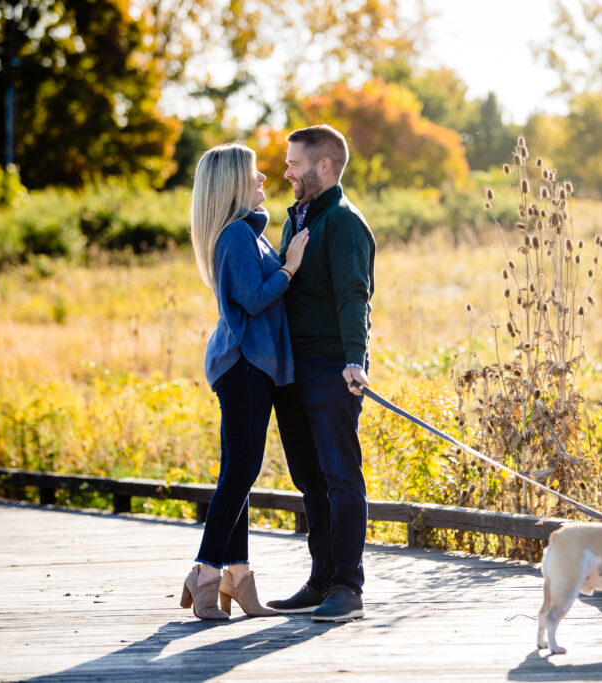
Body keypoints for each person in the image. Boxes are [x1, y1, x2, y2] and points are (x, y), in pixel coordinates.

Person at [180, 143, 310, 620]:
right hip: (243, 365)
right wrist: (291, 268)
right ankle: (207, 571)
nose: (263, 180)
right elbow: (255, 300)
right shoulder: (236, 235)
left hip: (250, 365)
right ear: (234, 183)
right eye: (254, 175)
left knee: (238, 471)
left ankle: (237, 573)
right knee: (241, 471)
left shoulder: (247, 235)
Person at [266, 125, 376, 622]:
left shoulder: (345, 223)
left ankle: (347, 588)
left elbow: (355, 295)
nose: (286, 170)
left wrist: (356, 359)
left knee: (339, 478)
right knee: (309, 480)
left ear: (324, 165)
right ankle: (320, 579)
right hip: (293, 368)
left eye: (294, 163)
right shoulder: (297, 218)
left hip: (332, 368)